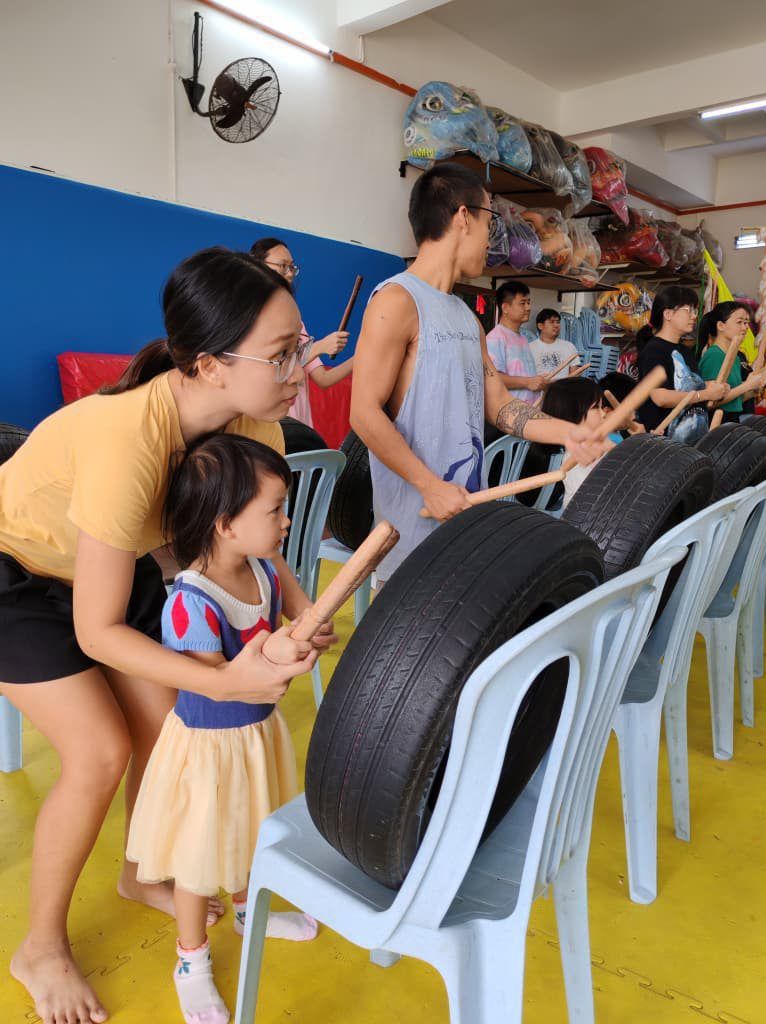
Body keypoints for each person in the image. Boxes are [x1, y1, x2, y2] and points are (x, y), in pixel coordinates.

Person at [0, 247, 334, 1024]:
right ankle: (40, 946)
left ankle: (138, 872)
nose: (300, 370)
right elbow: (97, 627)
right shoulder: (128, 437)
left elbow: (257, 546)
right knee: (99, 749)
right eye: (282, 354)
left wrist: (297, 611)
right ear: (212, 364)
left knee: (168, 727)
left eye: (300, 346)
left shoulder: (257, 425)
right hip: (16, 574)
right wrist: (223, 680)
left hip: (114, 571)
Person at [127, 434, 317, 1024]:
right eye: (275, 511)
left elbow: (304, 611)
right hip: (210, 750)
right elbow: (226, 680)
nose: (286, 522)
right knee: (199, 858)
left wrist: (310, 630)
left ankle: (244, 910)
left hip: (257, 738)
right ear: (224, 523)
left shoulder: (264, 566)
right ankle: (191, 960)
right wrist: (281, 651)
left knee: (254, 831)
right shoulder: (190, 600)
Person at [350, 161, 607, 582]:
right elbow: (363, 413)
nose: (493, 237)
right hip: (410, 532)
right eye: (491, 220)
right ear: (463, 217)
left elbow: (502, 407)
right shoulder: (396, 301)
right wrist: (429, 484)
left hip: (463, 520)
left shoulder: (467, 319)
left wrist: (568, 432)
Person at [250, 237, 354, 429]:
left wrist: (362, 356)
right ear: (257, 266)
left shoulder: (296, 322)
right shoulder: (249, 317)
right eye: (283, 266)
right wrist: (318, 347)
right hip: (272, 426)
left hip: (301, 426)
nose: (290, 274)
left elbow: (323, 379)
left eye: (292, 267)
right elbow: (266, 369)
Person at [635, 285, 730, 442]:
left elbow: (684, 386)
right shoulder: (654, 350)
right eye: (688, 310)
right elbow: (660, 396)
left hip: (693, 442)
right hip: (664, 444)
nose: (694, 316)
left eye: (695, 310)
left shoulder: (685, 351)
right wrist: (705, 394)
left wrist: (712, 387)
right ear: (668, 314)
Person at [540, 378, 611, 509]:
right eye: (596, 407)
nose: (603, 414)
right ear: (571, 412)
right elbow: (590, 502)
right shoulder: (573, 456)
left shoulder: (594, 444)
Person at [698, 302, 760, 424]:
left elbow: (733, 399)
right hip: (717, 422)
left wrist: (752, 390)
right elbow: (711, 403)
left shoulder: (735, 357)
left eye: (746, 323)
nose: (745, 327)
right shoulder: (714, 355)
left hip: (733, 420)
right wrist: (746, 385)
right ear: (721, 326)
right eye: (739, 322)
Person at [485, 281, 547, 402]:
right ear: (505, 308)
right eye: (522, 303)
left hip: (528, 410)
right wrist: (528, 382)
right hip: (510, 413)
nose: (528, 308)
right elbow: (493, 378)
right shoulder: (496, 337)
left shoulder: (522, 337)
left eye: (529, 302)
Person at [528, 308, 581, 380]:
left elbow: (574, 375)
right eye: (552, 322)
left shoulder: (569, 346)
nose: (556, 325)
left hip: (563, 389)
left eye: (558, 322)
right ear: (540, 326)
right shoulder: (529, 348)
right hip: (539, 390)